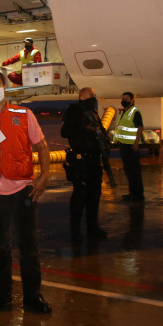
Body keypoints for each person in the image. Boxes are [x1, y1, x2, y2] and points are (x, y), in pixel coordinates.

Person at [0, 69, 53, 314]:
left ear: (4, 87)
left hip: (23, 190)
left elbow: (42, 146)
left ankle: (32, 295)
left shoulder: (24, 115)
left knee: (29, 245)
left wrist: (44, 177)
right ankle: (2, 294)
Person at [61, 87, 109, 243]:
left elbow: (100, 131)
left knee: (94, 195)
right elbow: (65, 132)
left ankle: (92, 227)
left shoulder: (93, 113)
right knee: (80, 196)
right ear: (84, 97)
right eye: (92, 96)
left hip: (94, 160)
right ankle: (75, 230)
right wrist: (85, 129)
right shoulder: (74, 111)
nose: (94, 99)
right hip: (81, 161)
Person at [114, 92, 145, 203]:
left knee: (134, 172)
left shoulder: (134, 112)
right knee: (129, 171)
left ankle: (138, 195)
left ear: (132, 100)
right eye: (123, 99)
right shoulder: (125, 111)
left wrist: (136, 143)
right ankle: (132, 194)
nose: (124, 101)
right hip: (124, 146)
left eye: (126, 99)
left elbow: (140, 127)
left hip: (131, 147)